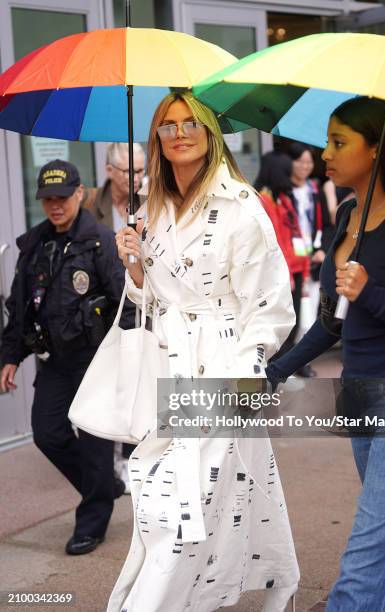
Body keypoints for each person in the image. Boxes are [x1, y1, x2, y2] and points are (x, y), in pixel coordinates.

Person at [108, 91, 299, 612]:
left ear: (212, 132)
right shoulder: (152, 207)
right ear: (157, 140)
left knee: (185, 501)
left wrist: (242, 382)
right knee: (187, 498)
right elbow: (151, 301)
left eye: (192, 122)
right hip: (166, 368)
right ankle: (225, 592)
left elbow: (270, 305)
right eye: (168, 126)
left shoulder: (240, 206)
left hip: (224, 369)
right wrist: (134, 266)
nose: (180, 133)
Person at [266, 96, 385, 611]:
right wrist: (275, 371)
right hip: (360, 393)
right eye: (327, 140)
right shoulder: (347, 211)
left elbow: (369, 304)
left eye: (339, 142)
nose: (324, 153)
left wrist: (373, 293)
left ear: (376, 149)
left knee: (373, 536)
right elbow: (331, 322)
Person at [0, 160, 133, 556]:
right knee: (47, 433)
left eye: (62, 197)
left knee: (94, 445)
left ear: (80, 193)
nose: (55, 205)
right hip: (55, 360)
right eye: (48, 199)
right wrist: (10, 356)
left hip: (96, 360)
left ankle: (92, 522)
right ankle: (104, 487)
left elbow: (125, 303)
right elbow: (21, 307)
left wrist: (128, 354)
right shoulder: (35, 244)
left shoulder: (100, 241)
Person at [83, 141, 146, 493]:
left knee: (142, 386)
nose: (137, 178)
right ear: (110, 171)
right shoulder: (91, 206)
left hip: (145, 307)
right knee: (113, 386)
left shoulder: (155, 203)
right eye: (129, 172)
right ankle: (113, 458)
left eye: (141, 170)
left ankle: (139, 457)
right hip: (105, 312)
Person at [255, 151, 310, 360]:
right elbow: (274, 242)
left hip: (295, 270)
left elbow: (296, 235)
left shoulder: (284, 198)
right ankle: (278, 371)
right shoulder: (264, 201)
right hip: (282, 274)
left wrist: (303, 271)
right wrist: (285, 274)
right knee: (282, 325)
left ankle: (286, 367)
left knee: (294, 323)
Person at [286, 143, 333, 377]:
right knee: (292, 313)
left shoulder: (316, 189)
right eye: (299, 161)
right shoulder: (281, 191)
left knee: (308, 314)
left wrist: (323, 249)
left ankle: (299, 361)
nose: (304, 166)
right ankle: (286, 360)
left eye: (308, 162)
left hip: (313, 260)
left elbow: (326, 224)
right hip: (291, 263)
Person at [83, 141, 146, 231]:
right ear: (110, 170)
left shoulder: (150, 204)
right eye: (128, 172)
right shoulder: (89, 203)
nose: (135, 179)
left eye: (139, 171)